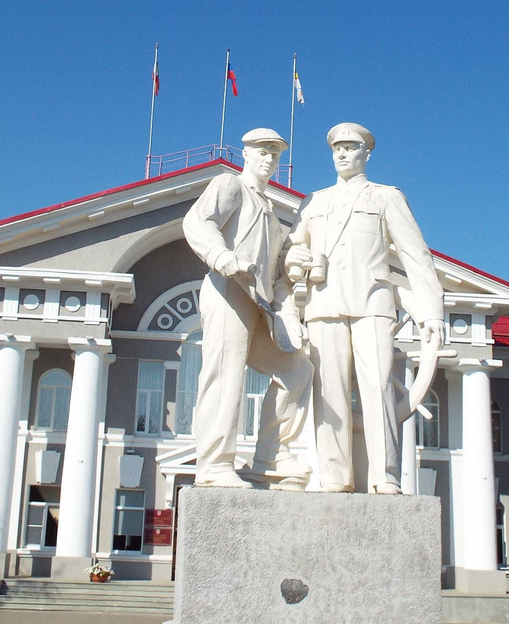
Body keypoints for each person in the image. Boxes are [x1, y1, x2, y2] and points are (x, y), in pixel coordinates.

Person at [284, 122, 444, 494]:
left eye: (351, 147)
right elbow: (291, 247)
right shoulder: (314, 201)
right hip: (325, 303)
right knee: (330, 393)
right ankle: (335, 476)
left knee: (379, 389)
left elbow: (415, 254)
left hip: (373, 301)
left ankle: (384, 473)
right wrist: (297, 257)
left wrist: (431, 309)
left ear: (366, 153)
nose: (342, 154)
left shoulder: (385, 197)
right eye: (336, 148)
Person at [182, 129, 313, 490]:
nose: (269, 158)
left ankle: (270, 455)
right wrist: (222, 256)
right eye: (263, 151)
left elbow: (277, 273)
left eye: (275, 153)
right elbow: (198, 223)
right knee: (225, 374)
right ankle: (214, 463)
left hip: (259, 303)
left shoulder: (270, 210)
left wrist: (291, 262)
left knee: (297, 370)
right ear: (246, 153)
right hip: (229, 289)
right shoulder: (230, 185)